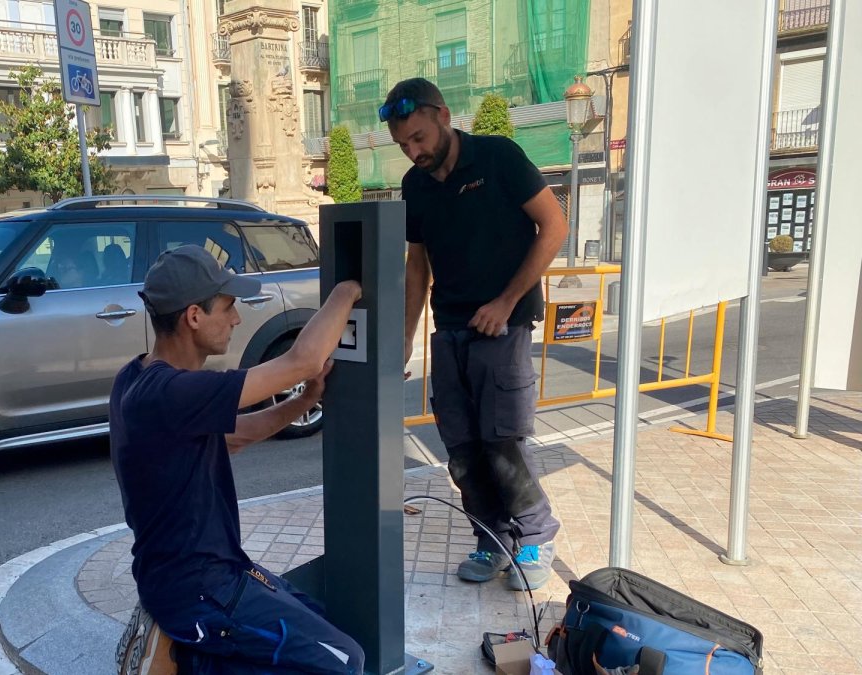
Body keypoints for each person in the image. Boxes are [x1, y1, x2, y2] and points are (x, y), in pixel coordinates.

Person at [110, 245, 365, 674]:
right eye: (228, 307)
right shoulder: (171, 393)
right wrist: (350, 287)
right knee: (344, 662)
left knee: (318, 616)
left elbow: (233, 436)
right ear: (194, 316)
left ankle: (192, 651)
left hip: (207, 572)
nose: (236, 318)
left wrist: (302, 402)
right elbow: (302, 360)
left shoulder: (137, 376)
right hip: (199, 589)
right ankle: (189, 658)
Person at [384, 78, 567, 590]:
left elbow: (554, 226)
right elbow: (417, 265)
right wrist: (406, 338)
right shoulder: (415, 187)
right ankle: (492, 540)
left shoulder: (498, 158)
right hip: (450, 329)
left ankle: (535, 536)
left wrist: (506, 301)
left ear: (443, 115)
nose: (413, 151)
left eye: (418, 137)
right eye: (403, 144)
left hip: (504, 326)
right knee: (461, 448)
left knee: (502, 441)